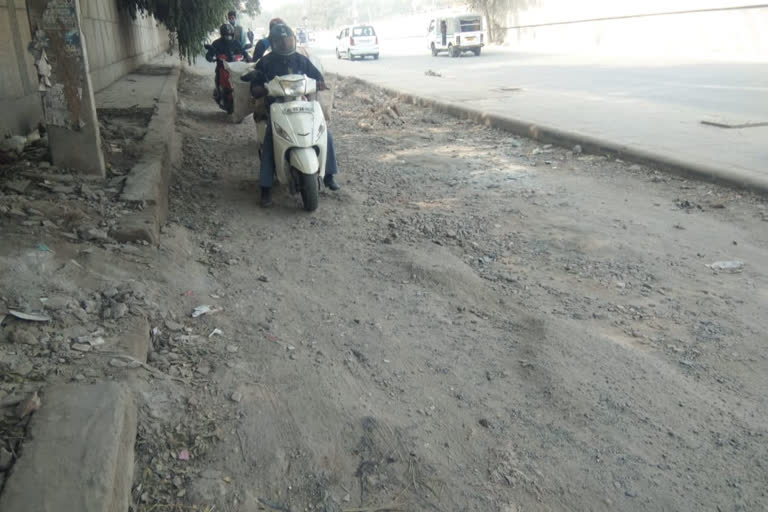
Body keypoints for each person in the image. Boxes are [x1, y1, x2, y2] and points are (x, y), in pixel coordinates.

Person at [247, 23, 340, 207]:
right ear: (273, 43)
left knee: (324, 133)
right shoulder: (265, 62)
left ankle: (329, 175)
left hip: (301, 103)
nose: (285, 44)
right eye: (280, 41)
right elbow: (254, 86)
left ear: (294, 41)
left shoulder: (301, 60)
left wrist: (320, 83)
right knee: (270, 141)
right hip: (276, 106)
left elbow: (316, 76)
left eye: (288, 40)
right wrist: (260, 89)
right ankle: (265, 188)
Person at [206, 23, 249, 96]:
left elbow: (243, 51)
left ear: (233, 34)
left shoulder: (236, 43)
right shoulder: (216, 43)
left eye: (230, 35)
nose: (228, 37)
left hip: (235, 67)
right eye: (226, 35)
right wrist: (210, 58)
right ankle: (218, 91)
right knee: (218, 75)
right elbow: (209, 53)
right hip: (222, 66)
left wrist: (246, 56)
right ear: (222, 35)